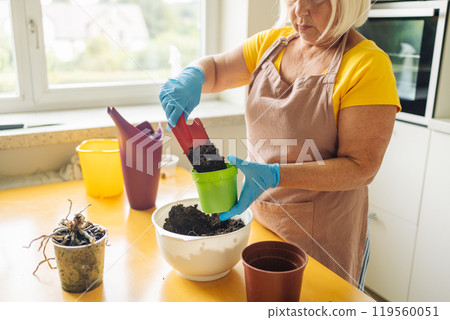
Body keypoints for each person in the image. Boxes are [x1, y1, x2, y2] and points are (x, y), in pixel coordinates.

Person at [159, 0, 400, 290]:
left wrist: (276, 175)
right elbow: (218, 69)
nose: (298, 11)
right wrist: (193, 74)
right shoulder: (273, 43)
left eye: (316, 0)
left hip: (323, 239)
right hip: (260, 222)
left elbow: (362, 168)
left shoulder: (367, 65)